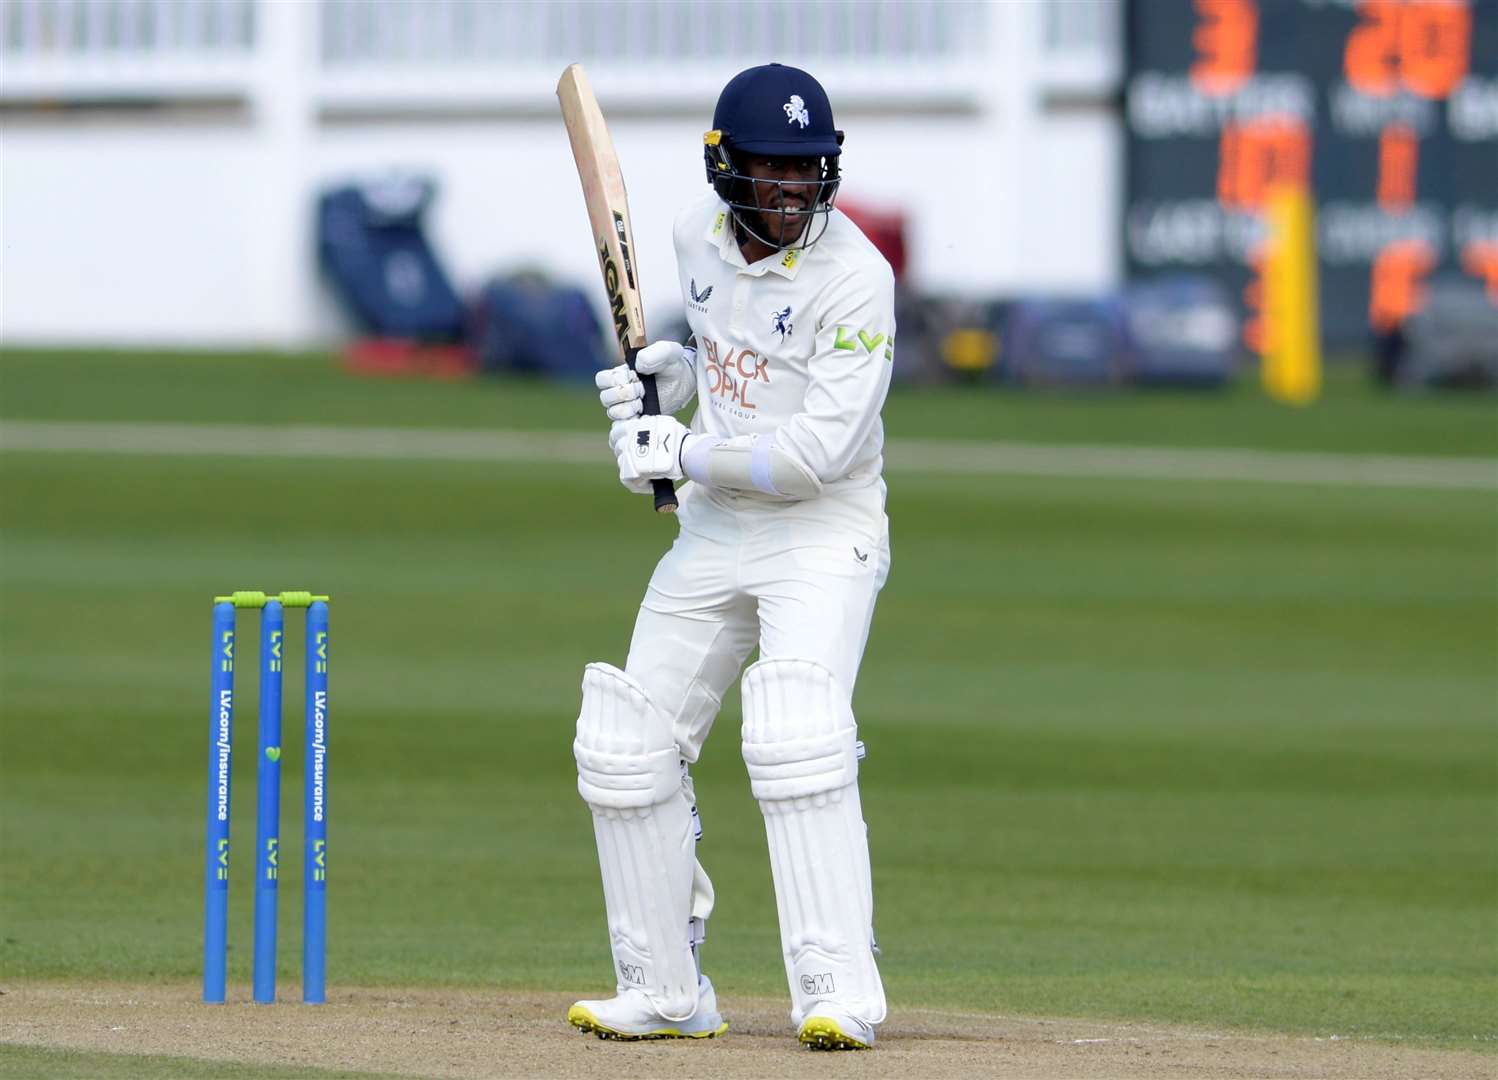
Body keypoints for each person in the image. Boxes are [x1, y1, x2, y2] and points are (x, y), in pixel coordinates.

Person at [568, 62, 895, 1052]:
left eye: (806, 172)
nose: (790, 193)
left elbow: (812, 456)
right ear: (726, 169)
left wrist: (682, 451)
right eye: (769, 170)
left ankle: (839, 990)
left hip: (821, 532)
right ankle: (665, 989)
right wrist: (669, 385)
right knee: (626, 745)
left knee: (797, 732)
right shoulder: (690, 243)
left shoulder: (860, 278)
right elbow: (733, 361)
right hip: (714, 530)